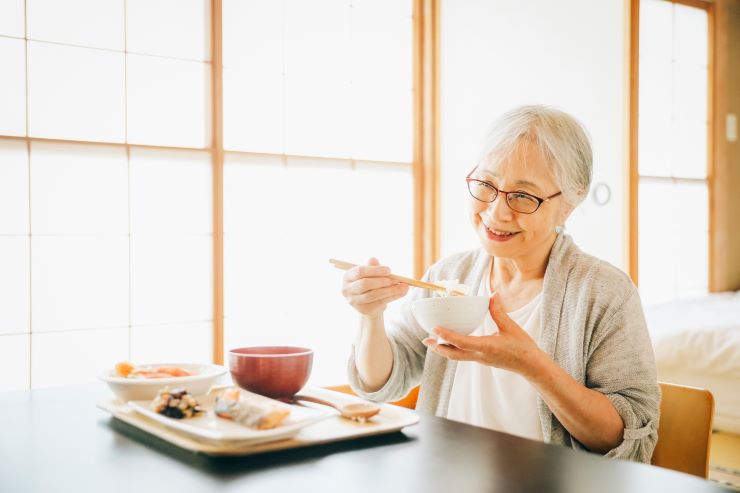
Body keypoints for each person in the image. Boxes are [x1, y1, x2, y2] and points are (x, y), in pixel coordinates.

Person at [340, 105, 660, 462]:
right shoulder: (451, 276)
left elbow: (628, 437)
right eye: (487, 185)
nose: (496, 212)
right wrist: (370, 316)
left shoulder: (604, 292)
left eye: (523, 196)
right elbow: (382, 382)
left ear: (568, 205)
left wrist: (532, 365)